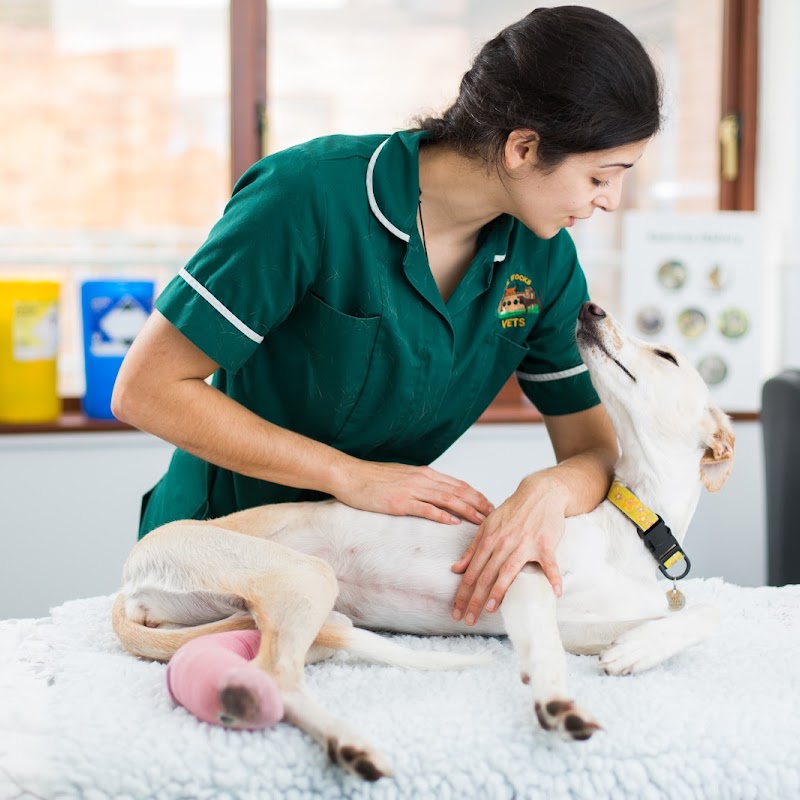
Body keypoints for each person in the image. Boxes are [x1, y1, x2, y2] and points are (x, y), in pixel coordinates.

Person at [113, 5, 662, 630]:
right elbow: (146, 390)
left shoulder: (546, 260)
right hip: (215, 557)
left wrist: (549, 493)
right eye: (601, 175)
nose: (610, 201)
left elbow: (591, 447)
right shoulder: (308, 195)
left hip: (362, 577)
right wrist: (348, 476)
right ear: (523, 147)